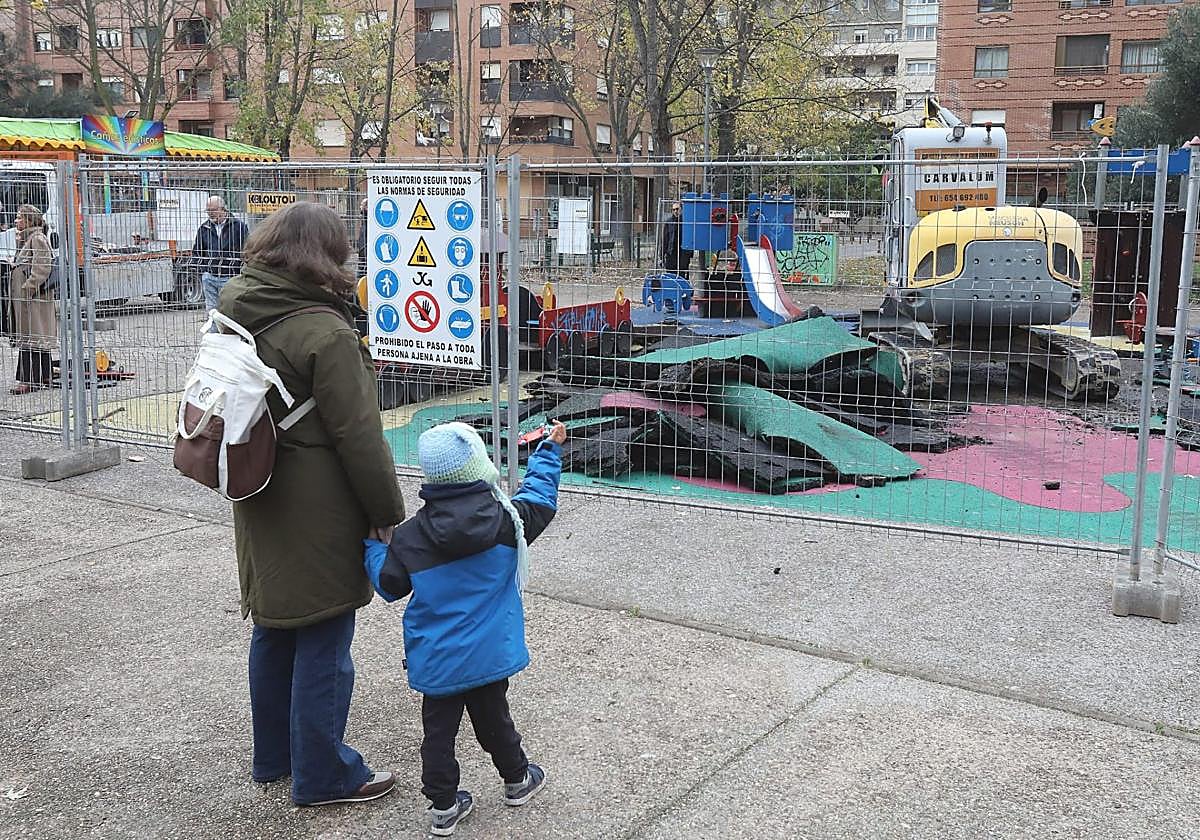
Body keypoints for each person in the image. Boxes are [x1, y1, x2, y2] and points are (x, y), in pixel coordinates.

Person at [216, 201, 406, 807]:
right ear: (326, 258)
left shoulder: (235, 307)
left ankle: (275, 756)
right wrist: (387, 513)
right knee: (325, 637)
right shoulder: (326, 331)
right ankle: (324, 775)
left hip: (256, 487)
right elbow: (360, 436)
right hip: (317, 504)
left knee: (274, 626)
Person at [363, 420, 566, 836]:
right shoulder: (510, 520)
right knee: (495, 719)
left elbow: (388, 585)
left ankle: (443, 807)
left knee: (438, 733)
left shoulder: (410, 537)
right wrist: (547, 451)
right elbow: (541, 497)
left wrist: (370, 546)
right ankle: (517, 779)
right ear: (480, 465)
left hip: (439, 660)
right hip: (490, 653)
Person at [10, 204, 56, 394]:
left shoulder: (37, 238)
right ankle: (44, 376)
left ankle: (29, 380)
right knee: (33, 336)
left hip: (33, 300)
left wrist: (28, 288)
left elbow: (43, 266)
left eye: (20, 217)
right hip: (28, 299)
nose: (16, 221)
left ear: (29, 220)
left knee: (32, 337)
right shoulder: (27, 238)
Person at [192, 195, 249, 316]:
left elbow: (247, 251)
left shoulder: (239, 227)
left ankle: (229, 333)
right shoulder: (204, 228)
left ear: (223, 209)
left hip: (230, 277)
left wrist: (238, 272)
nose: (210, 213)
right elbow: (197, 252)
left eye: (213, 210)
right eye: (208, 210)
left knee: (230, 310)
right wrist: (204, 271)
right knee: (212, 311)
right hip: (210, 277)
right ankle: (214, 334)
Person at [356, 198, 369, 279]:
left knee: (362, 262)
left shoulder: (367, 216)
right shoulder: (364, 216)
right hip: (363, 243)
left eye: (362, 205)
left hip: (364, 244)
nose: (360, 207)